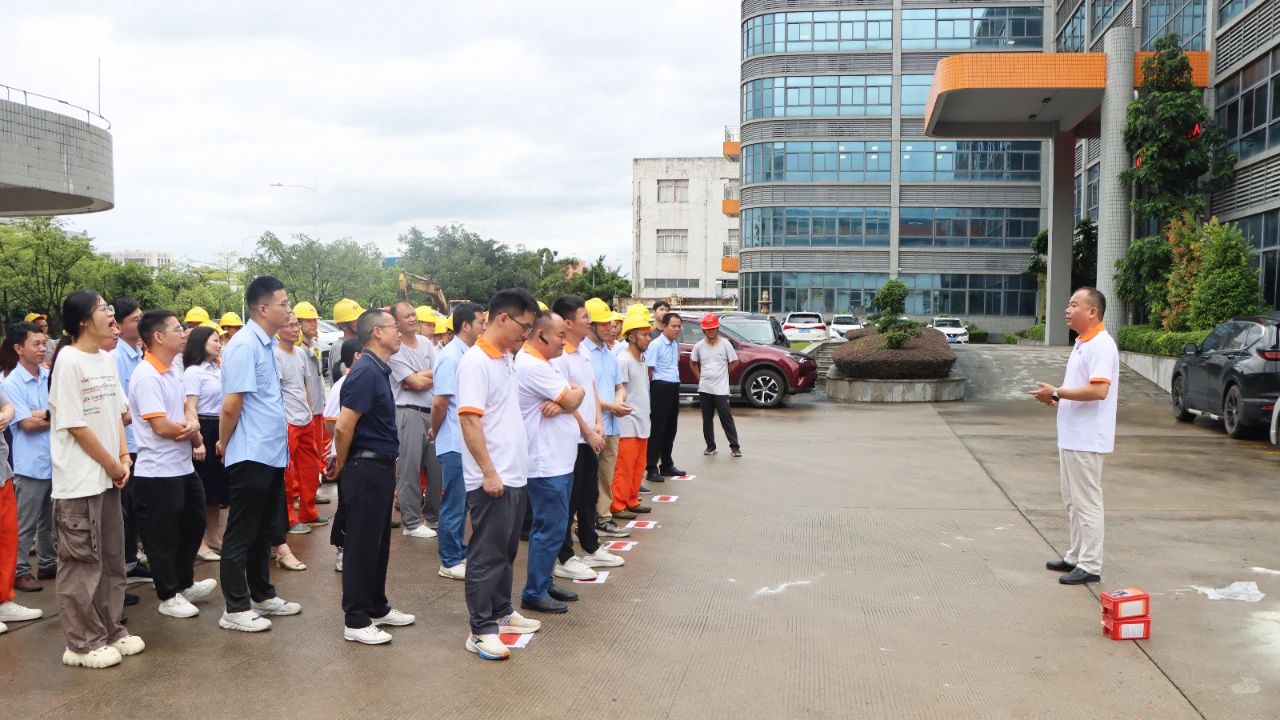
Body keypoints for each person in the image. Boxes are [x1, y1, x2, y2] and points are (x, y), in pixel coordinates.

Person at [47, 290, 144, 668]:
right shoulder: (68, 361)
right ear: (83, 320)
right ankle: (82, 643)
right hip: (80, 482)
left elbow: (117, 414)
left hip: (108, 478)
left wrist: (124, 457)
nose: (111, 314)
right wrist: (113, 465)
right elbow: (76, 426)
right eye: (103, 309)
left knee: (112, 561)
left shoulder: (105, 359)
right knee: (81, 564)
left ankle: (110, 629)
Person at [457, 289, 543, 660]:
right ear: (503, 318)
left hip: (514, 474)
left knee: (506, 550)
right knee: (487, 554)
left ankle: (502, 611)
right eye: (524, 326)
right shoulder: (476, 362)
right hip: (492, 478)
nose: (526, 334)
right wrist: (489, 472)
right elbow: (469, 420)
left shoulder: (506, 357)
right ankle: (480, 629)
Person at [217, 276, 302, 632]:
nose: (289, 310)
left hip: (269, 452)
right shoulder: (244, 346)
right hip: (251, 452)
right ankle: (235, 608)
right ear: (263, 309)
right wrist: (224, 442)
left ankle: (262, 594)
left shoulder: (265, 343)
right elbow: (231, 405)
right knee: (241, 532)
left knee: (263, 529)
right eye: (284, 304)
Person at [325, 309, 415, 644]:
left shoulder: (377, 369)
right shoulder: (365, 371)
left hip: (379, 467)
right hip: (364, 467)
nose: (399, 332)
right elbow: (343, 427)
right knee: (361, 545)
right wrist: (342, 463)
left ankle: (376, 605)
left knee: (377, 544)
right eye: (394, 327)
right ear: (377, 332)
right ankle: (356, 618)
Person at [129, 310, 217, 619]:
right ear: (158, 337)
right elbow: (161, 427)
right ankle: (168, 594)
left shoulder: (173, 370)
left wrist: (191, 423)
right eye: (177, 329)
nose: (183, 334)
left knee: (194, 523)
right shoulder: (146, 375)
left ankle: (183, 583)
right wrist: (191, 430)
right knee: (162, 534)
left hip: (182, 466)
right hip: (157, 470)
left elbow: (186, 407)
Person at [1031, 288, 1119, 586]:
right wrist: (1056, 397)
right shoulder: (1083, 343)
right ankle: (1076, 556)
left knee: (1087, 501)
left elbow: (1099, 390)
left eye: (1074, 305)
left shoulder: (1101, 345)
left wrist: (1057, 391)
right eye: (1068, 304)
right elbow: (1080, 388)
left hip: (1087, 438)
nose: (1067, 310)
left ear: (1092, 312)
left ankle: (1090, 564)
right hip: (1072, 436)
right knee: (1072, 500)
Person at [550, 295, 624, 581]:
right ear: (568, 323)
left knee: (588, 494)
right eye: (585, 317)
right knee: (569, 500)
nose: (589, 322)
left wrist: (598, 423)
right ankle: (564, 557)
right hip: (573, 437)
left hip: (590, 434)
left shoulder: (582, 351)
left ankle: (591, 546)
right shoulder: (560, 356)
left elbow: (590, 387)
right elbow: (568, 402)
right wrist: (587, 430)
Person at [516, 312, 586, 614]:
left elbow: (576, 391)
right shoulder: (531, 365)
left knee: (553, 526)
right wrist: (568, 399)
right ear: (541, 335)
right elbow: (572, 397)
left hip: (559, 460)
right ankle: (534, 591)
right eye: (560, 335)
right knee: (550, 527)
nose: (564, 341)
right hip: (545, 463)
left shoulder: (547, 362)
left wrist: (569, 398)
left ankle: (543, 583)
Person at [430, 303, 484, 581]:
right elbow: (440, 402)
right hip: (453, 440)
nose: (483, 327)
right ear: (466, 325)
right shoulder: (451, 357)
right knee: (454, 501)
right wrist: (435, 430)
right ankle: (449, 560)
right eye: (480, 322)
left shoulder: (468, 354)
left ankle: (458, 551)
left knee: (462, 503)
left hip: (463, 441)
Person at [3, 322, 55, 592]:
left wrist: (39, 414)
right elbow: (27, 424)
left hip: (52, 460)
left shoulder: (48, 376)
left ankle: (48, 562)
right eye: (36, 344)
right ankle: (20, 570)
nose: (42, 348)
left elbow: (54, 412)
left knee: (49, 520)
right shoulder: (11, 383)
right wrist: (52, 415)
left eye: (44, 343)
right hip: (30, 464)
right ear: (18, 348)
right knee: (25, 523)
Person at [387, 301, 441, 539]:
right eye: (406, 316)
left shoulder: (426, 343)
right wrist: (422, 377)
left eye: (413, 314)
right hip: (408, 412)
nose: (412, 318)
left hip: (432, 410)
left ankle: (433, 517)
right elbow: (416, 383)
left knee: (436, 468)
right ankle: (410, 522)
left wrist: (419, 376)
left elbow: (439, 373)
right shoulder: (395, 350)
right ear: (396, 322)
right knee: (409, 468)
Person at [110, 297, 152, 586]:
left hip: (139, 440)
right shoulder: (116, 357)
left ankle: (132, 560)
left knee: (138, 506)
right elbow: (122, 408)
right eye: (134, 319)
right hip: (126, 444)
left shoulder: (138, 353)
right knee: (128, 507)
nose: (140, 323)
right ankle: (127, 564)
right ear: (120, 324)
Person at [582, 299, 632, 539]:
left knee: (606, 475)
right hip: (591, 427)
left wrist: (619, 401)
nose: (610, 328)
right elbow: (584, 395)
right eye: (604, 324)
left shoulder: (610, 353)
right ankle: (581, 521)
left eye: (611, 324)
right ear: (590, 325)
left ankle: (603, 517)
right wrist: (611, 406)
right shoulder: (582, 353)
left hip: (612, 424)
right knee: (585, 479)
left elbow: (619, 386)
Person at [275, 314, 324, 541]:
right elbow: (276, 391)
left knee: (310, 468)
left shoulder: (301, 354)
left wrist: (309, 409)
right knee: (288, 473)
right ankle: (289, 518)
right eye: (290, 325)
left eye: (296, 325)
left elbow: (305, 385)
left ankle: (308, 512)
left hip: (305, 419)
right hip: (288, 421)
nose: (295, 329)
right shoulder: (276, 355)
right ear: (278, 329)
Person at [0, 384, 44, 634]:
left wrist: (5, 416)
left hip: (2, 471)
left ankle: (3, 599)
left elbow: (7, 405)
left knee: (7, 538)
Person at [183, 325, 227, 561]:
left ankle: (213, 537)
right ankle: (198, 543)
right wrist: (197, 441)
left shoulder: (218, 369)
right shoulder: (194, 372)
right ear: (201, 343)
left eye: (220, 340)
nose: (219, 344)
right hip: (203, 427)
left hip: (219, 426)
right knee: (202, 489)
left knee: (216, 488)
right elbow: (189, 406)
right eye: (214, 340)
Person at [324, 338, 363, 573]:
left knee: (360, 506)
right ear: (357, 356)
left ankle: (355, 551)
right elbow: (331, 422)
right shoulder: (342, 385)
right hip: (348, 455)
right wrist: (339, 450)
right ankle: (341, 551)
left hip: (361, 455)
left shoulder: (363, 379)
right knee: (347, 505)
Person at [612, 309, 653, 521]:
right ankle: (618, 504)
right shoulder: (623, 360)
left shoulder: (641, 360)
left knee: (638, 465)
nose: (648, 338)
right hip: (627, 422)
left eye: (649, 334)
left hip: (642, 421)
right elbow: (619, 390)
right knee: (624, 466)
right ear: (631, 337)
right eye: (644, 334)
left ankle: (631, 499)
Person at [293, 302, 330, 507]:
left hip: (317, 408)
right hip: (303, 411)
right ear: (298, 323)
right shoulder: (296, 348)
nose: (314, 324)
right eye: (309, 321)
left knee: (314, 453)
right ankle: (298, 493)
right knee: (302, 455)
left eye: (315, 320)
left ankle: (311, 491)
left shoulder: (314, 344)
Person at [691, 314, 742, 458]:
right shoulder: (699, 346)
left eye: (713, 328)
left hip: (721, 389)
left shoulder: (725, 344)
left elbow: (735, 362)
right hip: (705, 388)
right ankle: (710, 446)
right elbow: (693, 363)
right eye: (708, 329)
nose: (711, 331)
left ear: (717, 328)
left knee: (726, 418)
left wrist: (724, 373)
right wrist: (699, 377)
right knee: (707, 419)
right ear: (703, 330)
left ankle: (735, 447)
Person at [645, 312, 686, 483]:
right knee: (658, 429)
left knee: (671, 428)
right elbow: (649, 370)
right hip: (660, 387)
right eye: (673, 326)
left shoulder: (674, 344)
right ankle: (651, 467)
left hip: (673, 386)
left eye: (679, 326)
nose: (677, 329)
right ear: (664, 326)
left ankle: (667, 464)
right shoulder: (655, 345)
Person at [330, 298, 365, 382]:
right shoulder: (339, 348)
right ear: (343, 326)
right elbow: (345, 380)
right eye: (356, 319)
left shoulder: (361, 343)